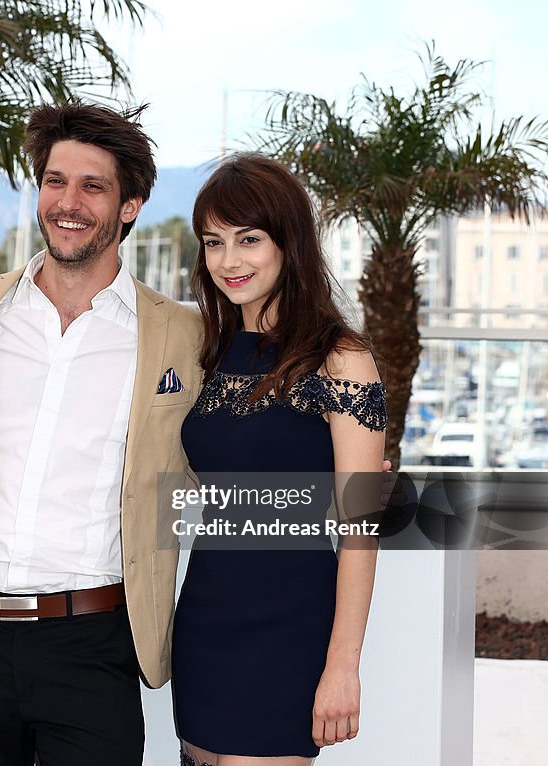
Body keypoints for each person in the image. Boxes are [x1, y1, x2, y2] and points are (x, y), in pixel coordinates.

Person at [0, 102, 203, 765]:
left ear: (129, 206)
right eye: (55, 181)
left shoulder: (181, 334)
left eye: (92, 186)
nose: (67, 202)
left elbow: (214, 462)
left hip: (95, 641)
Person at [172, 154, 387, 766]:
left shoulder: (340, 359)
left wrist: (342, 667)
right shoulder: (212, 354)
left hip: (288, 633)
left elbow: (359, 528)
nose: (229, 260)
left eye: (249, 239)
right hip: (206, 621)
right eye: (214, 243)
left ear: (288, 243)